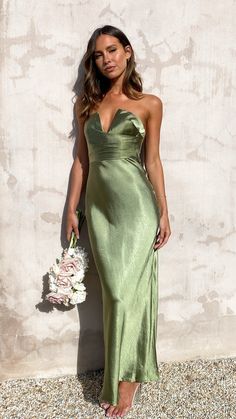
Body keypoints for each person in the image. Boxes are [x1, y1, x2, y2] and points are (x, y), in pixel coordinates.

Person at [66, 24, 171, 418]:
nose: (106, 59)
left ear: (127, 52)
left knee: (129, 295)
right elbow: (81, 162)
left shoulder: (150, 104)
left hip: (137, 209)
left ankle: (125, 382)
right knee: (113, 294)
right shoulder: (87, 104)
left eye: (112, 50)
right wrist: (71, 209)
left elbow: (153, 161)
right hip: (99, 210)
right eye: (98, 54)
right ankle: (127, 369)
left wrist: (163, 210)